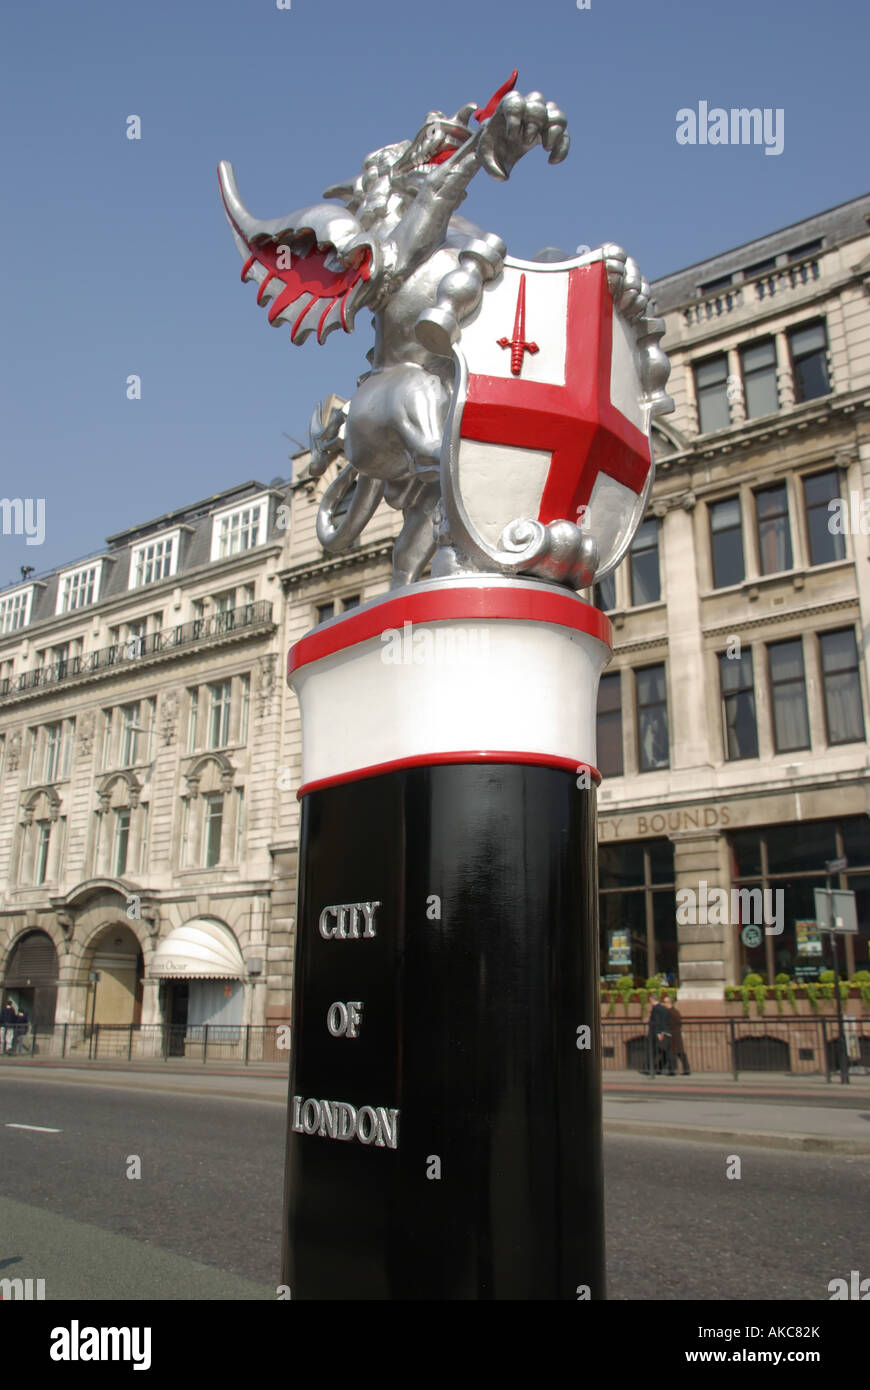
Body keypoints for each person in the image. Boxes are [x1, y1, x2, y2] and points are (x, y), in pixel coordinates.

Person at [664, 995, 690, 1075]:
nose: (663, 1004)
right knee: (679, 1052)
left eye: (664, 1002)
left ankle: (673, 1070)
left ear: (668, 1003)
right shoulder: (675, 1011)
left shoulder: (670, 1012)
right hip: (676, 1033)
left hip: (672, 1034)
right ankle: (686, 1069)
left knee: (672, 1052)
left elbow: (668, 1023)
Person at [647, 991, 671, 1075]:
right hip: (664, 1031)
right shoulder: (663, 1008)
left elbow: (656, 1021)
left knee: (653, 1051)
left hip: (656, 1033)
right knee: (662, 1051)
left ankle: (651, 1069)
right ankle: (659, 1068)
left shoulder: (656, 1008)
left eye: (650, 1000)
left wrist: (659, 1033)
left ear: (652, 1000)